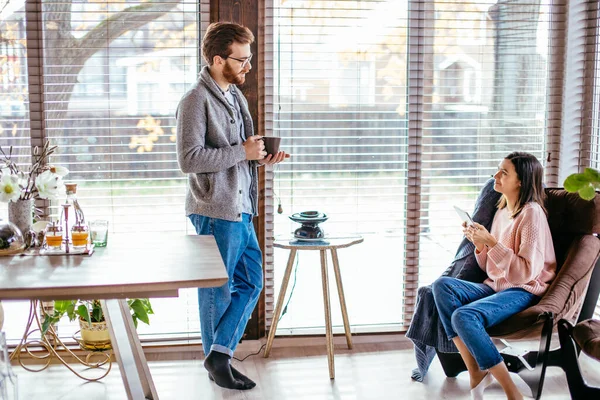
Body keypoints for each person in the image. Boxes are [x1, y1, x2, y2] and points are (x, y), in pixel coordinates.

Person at [176, 22, 290, 390]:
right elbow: (189, 159)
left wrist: (259, 158)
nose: (248, 66)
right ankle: (217, 361)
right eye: (241, 60)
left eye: (250, 58)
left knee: (252, 281)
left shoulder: (234, 97)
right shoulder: (196, 100)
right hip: (213, 209)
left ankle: (219, 354)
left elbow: (236, 154)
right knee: (217, 289)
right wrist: (241, 151)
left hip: (240, 205)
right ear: (217, 59)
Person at [431, 152, 556, 400]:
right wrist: (480, 244)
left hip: (524, 290)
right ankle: (475, 369)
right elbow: (492, 268)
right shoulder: (502, 211)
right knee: (441, 286)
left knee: (464, 315)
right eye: (497, 170)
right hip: (497, 286)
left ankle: (512, 392)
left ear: (521, 181)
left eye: (504, 172)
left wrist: (491, 241)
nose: (495, 176)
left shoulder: (532, 214)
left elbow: (524, 274)